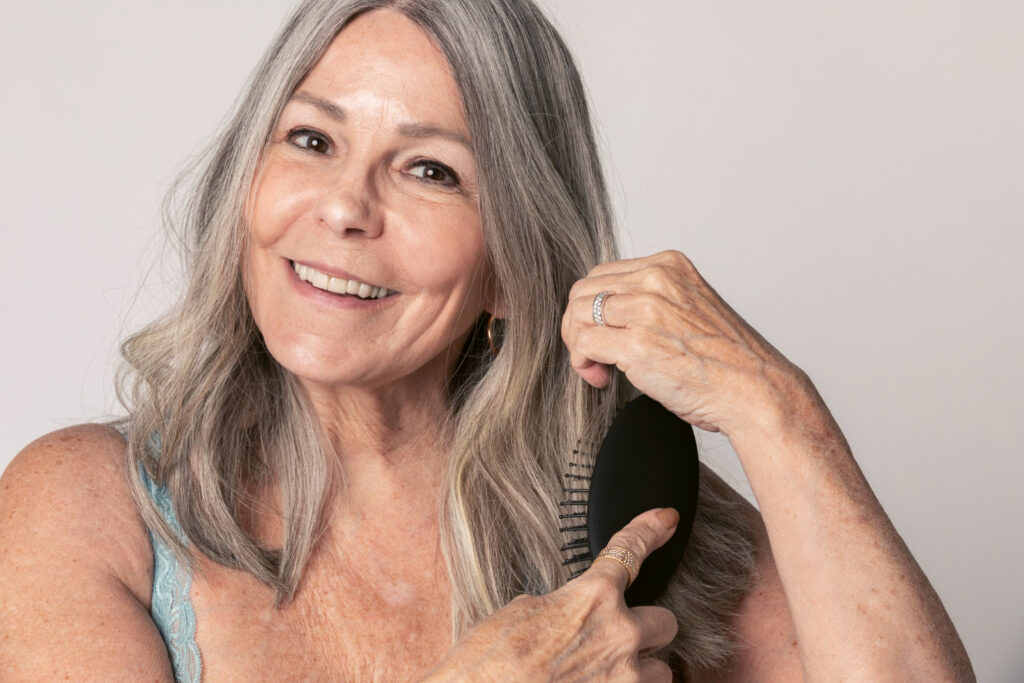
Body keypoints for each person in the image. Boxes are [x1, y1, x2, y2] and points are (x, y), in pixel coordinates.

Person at [0, 0, 974, 680]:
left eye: (428, 169)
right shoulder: (88, 506)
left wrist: (777, 405)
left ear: (514, 263)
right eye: (310, 139)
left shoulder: (632, 524)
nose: (344, 205)